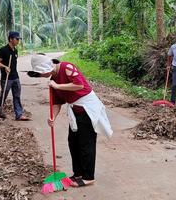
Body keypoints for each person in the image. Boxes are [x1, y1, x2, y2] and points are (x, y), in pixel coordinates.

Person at [28, 55, 113, 187]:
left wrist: (58, 86)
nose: (42, 76)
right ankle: (78, 173)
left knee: (86, 143)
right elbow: (57, 103)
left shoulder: (67, 67)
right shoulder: (53, 82)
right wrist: (53, 117)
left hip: (88, 109)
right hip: (75, 111)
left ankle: (88, 176)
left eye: (42, 73)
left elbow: (78, 85)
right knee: (73, 142)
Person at [0, 31, 30, 121]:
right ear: (11, 39)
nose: (18, 41)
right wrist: (5, 67)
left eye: (18, 39)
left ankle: (19, 114)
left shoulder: (15, 50)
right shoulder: (3, 50)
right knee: (4, 95)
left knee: (17, 96)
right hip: (6, 78)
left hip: (15, 77)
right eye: (16, 39)